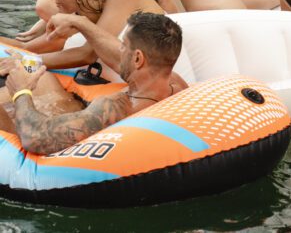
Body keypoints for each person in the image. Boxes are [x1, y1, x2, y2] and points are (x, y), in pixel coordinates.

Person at [0, 12, 186, 153]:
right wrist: (78, 22)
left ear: (138, 58)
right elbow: (117, 56)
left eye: (123, 45)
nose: (118, 50)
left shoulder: (116, 108)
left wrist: (21, 91)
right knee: (45, 80)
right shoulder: (175, 84)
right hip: (69, 111)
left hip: (39, 137)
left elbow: (34, 138)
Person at [0, 0, 165, 74]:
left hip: (163, 77)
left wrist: (26, 63)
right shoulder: (84, 12)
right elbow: (26, 47)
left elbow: (88, 55)